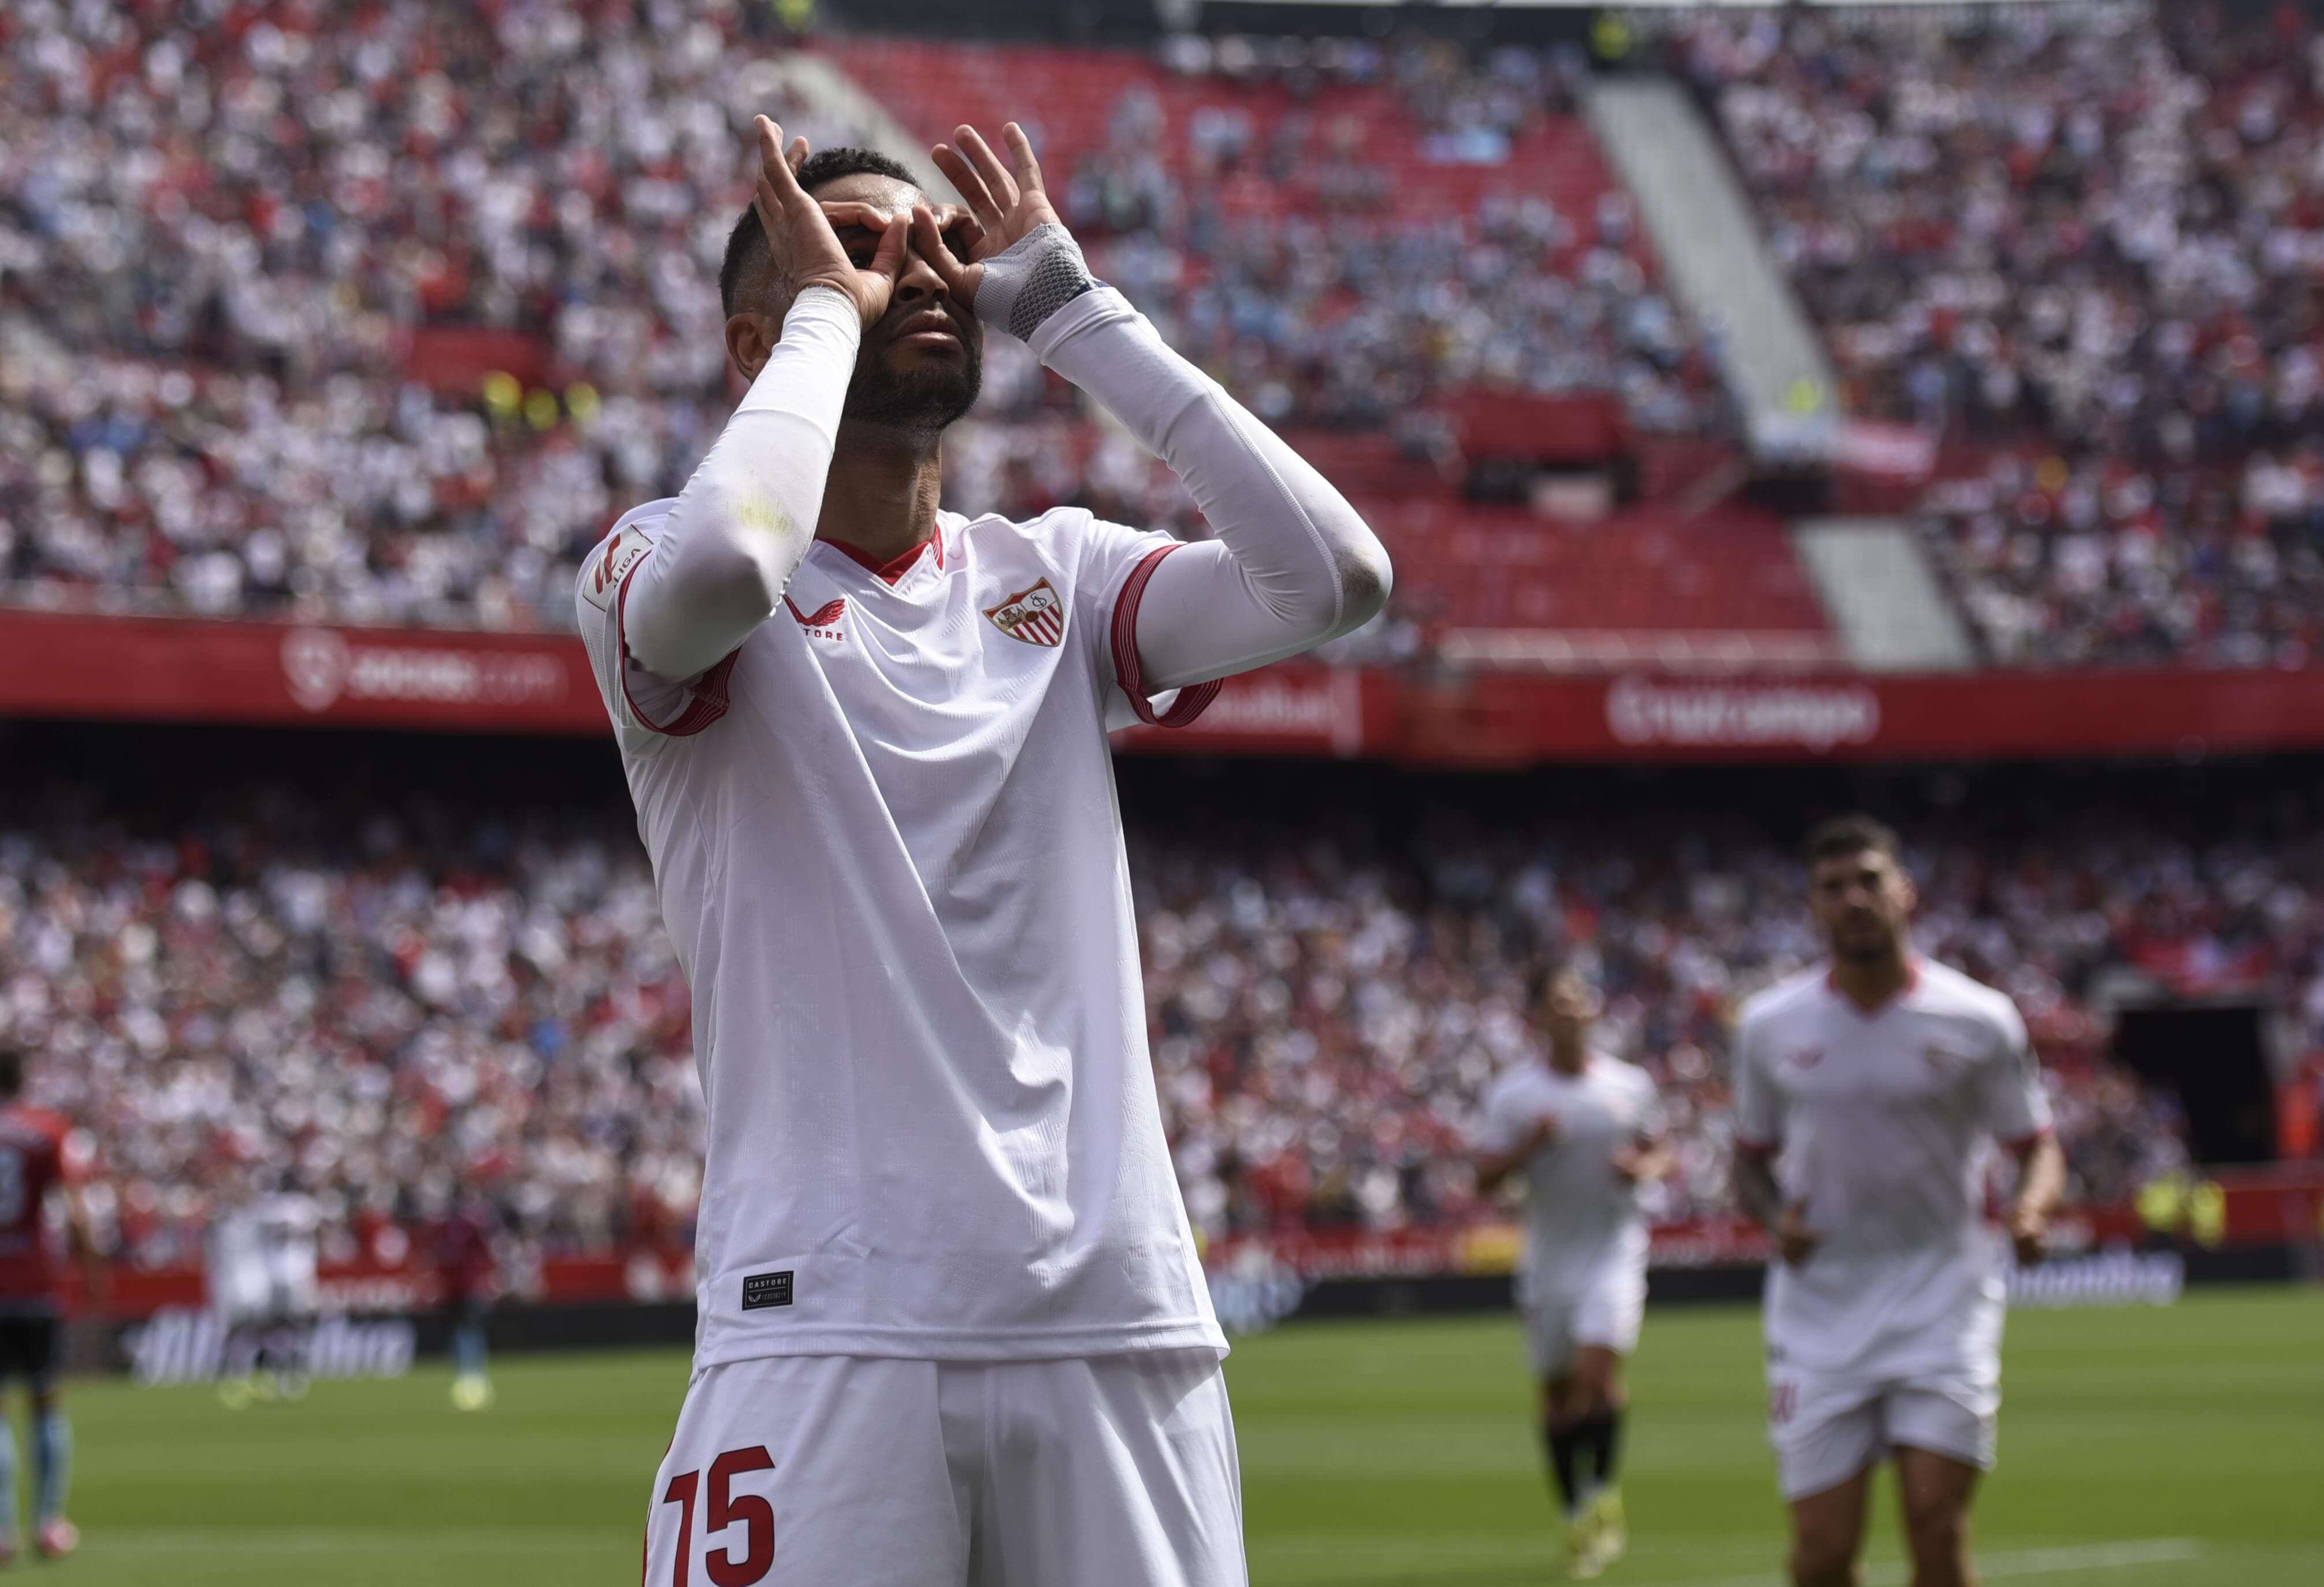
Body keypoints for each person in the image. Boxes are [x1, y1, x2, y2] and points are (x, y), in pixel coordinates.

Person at [580, 116, 1388, 1586]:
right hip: (827, 1326)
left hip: (1115, 1323)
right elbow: (732, 562)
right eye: (860, 247)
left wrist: (1077, 314)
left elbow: (1330, 575)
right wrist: (829, 315)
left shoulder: (1053, 573)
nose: (916, 274)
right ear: (756, 339)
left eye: (943, 246)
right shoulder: (651, 559)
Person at [1731, 816, 2067, 1587]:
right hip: (1818, 1314)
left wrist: (2030, 1209)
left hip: (1941, 1301)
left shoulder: (1977, 1018)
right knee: (1821, 1551)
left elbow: (2036, 1144)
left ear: (1905, 892)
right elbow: (1747, 1162)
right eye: (1833, 887)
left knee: (1935, 1524)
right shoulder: (1768, 1026)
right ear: (1811, 906)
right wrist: (1773, 1218)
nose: (1854, 899)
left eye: (1869, 881)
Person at [1475, 966, 1669, 1579]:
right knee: (1557, 1400)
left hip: (1614, 1251)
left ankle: (1602, 1494)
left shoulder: (1628, 1085)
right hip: (1548, 1260)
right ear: (1538, 1016)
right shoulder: (1514, 1096)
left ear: (1591, 1010)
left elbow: (1661, 1149)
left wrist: (1643, 1168)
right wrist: (1529, 1145)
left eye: (1577, 999)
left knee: (1596, 1376)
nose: (1569, 1010)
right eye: (1556, 1002)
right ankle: (1572, 1512)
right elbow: (1483, 1179)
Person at [0, 1046, 103, 1563]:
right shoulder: (47, 1131)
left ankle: (2, 1533)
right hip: (36, 1285)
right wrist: (92, 1268)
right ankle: (48, 1524)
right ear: (23, 1079)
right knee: (46, 1400)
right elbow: (76, 1209)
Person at [209, 1170, 320, 1408]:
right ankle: (242, 1378)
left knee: (274, 1329)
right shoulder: (242, 1217)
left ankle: (278, 1374)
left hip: (262, 1284)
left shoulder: (263, 1214)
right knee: (251, 1331)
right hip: (253, 1284)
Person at [435, 1192, 499, 1412]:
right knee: (458, 1332)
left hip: (469, 1289)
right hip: (451, 1290)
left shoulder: (471, 1228)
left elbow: (486, 1253)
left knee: (470, 1331)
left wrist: (486, 1280)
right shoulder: (443, 1229)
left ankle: (475, 1374)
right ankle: (464, 1374)